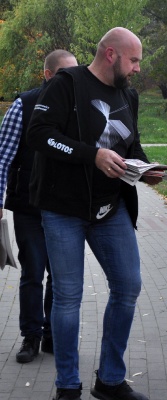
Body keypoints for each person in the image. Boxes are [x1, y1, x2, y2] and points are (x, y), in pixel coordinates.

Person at [26, 28, 159, 400]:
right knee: (68, 297)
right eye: (134, 61)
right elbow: (39, 134)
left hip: (110, 208)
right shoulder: (67, 84)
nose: (137, 70)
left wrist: (146, 169)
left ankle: (110, 380)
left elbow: (129, 143)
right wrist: (91, 155)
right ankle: (67, 386)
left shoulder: (127, 95)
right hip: (63, 209)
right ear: (112, 54)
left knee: (128, 286)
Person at [0, 49, 78, 363]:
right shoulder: (24, 105)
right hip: (29, 205)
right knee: (33, 273)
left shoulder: (77, 107)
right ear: (47, 74)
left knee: (60, 276)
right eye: (64, 74)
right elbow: (2, 158)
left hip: (65, 207)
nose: (71, 80)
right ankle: (30, 338)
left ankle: (51, 337)